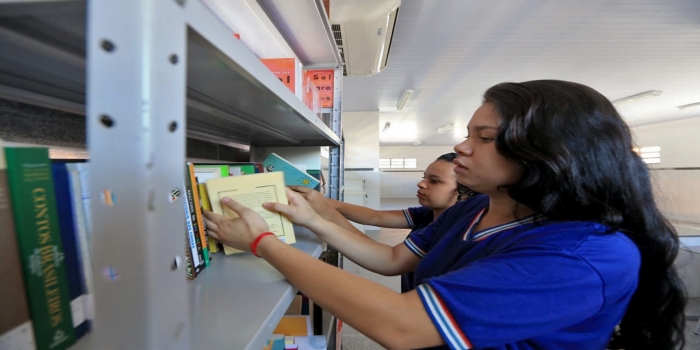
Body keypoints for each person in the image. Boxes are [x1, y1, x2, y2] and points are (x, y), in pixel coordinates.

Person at [203, 80, 686, 349]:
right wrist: (314, 218)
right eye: (467, 133)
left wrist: (263, 243)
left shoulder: (584, 255)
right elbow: (392, 260)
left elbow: (401, 324)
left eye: (485, 137)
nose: (460, 147)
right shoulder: (477, 206)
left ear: (551, 152)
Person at [292, 152, 479, 292]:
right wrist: (321, 200)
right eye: (424, 177)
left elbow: (388, 259)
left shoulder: (453, 230)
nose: (421, 184)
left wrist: (321, 214)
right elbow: (375, 216)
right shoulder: (428, 214)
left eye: (435, 181)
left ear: (463, 191)